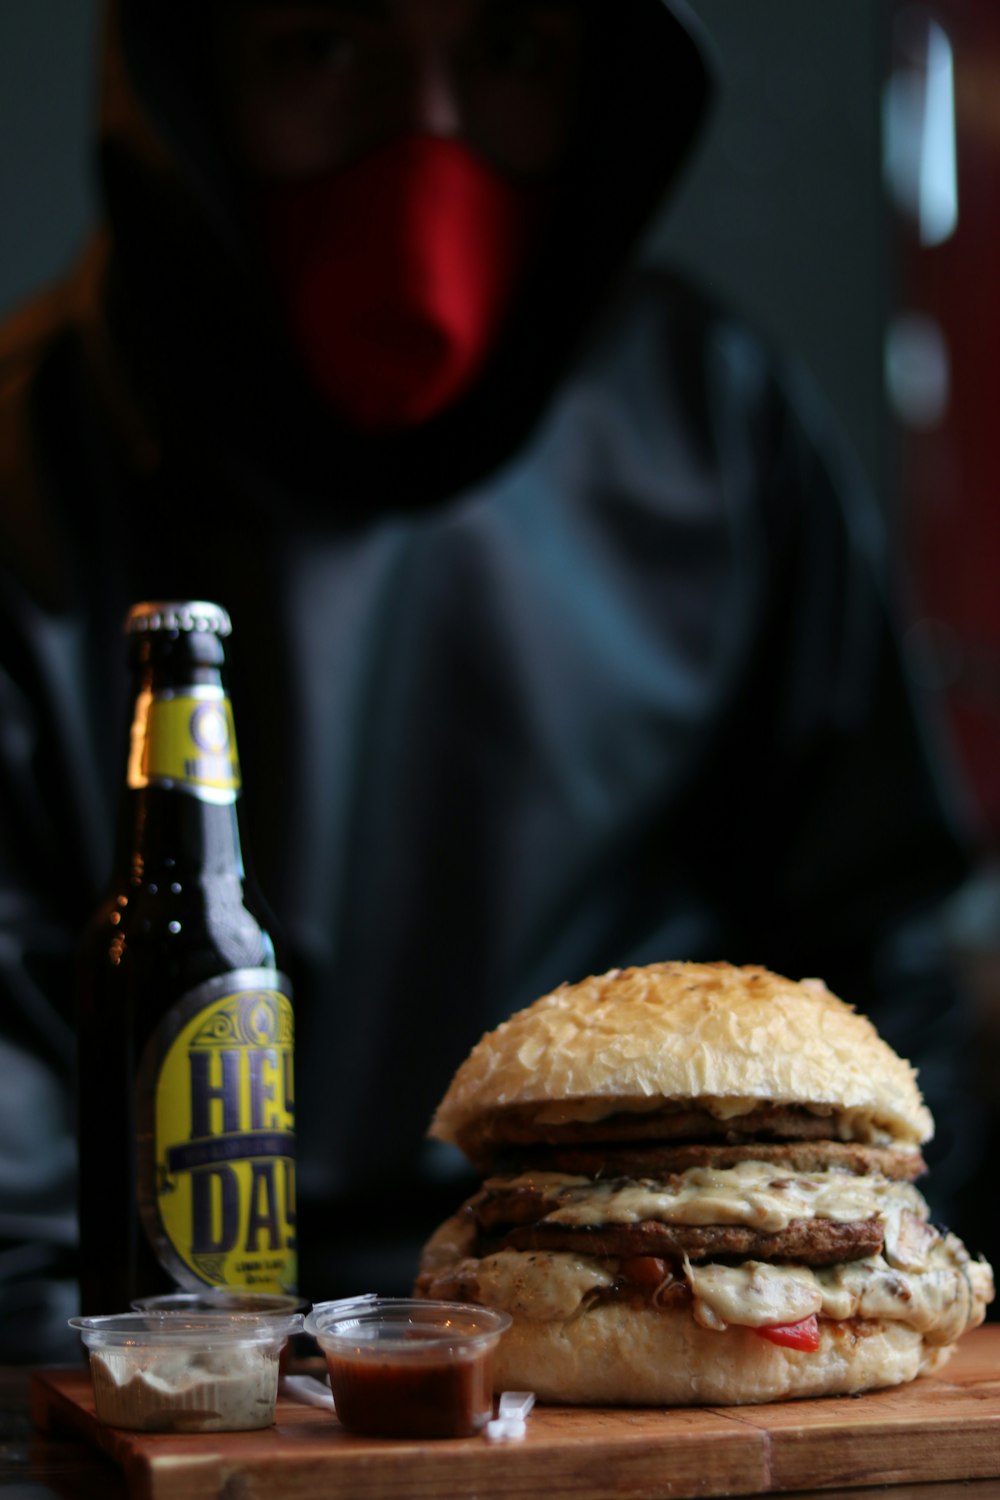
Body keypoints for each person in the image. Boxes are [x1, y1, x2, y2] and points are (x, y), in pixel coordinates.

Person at [0, 0, 984, 1362]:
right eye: (317, 42)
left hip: (665, 1330)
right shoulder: (24, 468)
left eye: (512, 49)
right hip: (177, 1364)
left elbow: (887, 955)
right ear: (186, 83)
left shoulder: (717, 422)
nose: (426, 141)